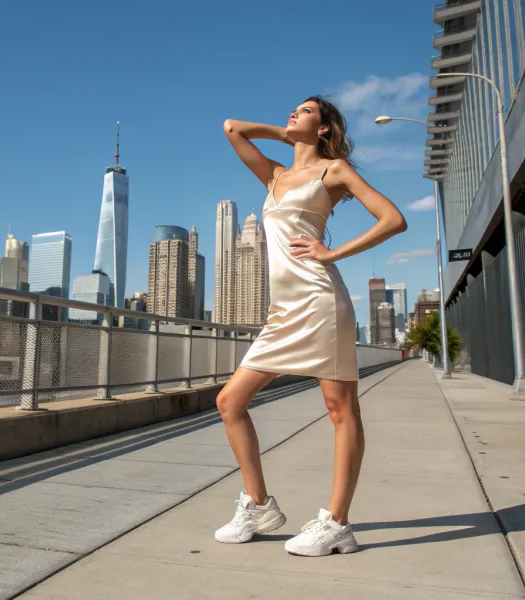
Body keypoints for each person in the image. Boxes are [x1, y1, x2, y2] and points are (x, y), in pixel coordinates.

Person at [215, 97, 407, 556]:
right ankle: (259, 505)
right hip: (282, 312)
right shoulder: (275, 175)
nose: (293, 114)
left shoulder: (334, 171)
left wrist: (332, 253)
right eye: (293, 111)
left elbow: (393, 219)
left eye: (304, 112)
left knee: (340, 409)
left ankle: (337, 523)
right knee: (229, 402)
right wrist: (287, 135)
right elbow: (232, 128)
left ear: (324, 128)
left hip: (320, 300)